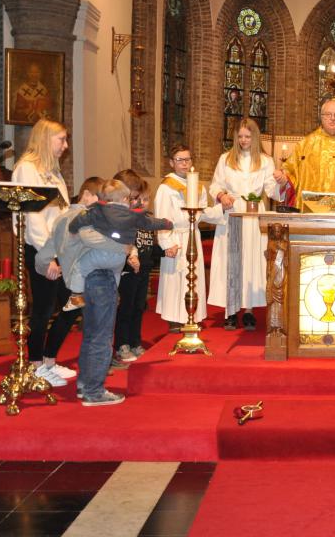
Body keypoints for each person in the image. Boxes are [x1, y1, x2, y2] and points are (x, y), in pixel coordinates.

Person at [11, 119, 75, 385]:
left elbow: (62, 212)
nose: (65, 145)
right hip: (40, 248)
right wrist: (47, 256)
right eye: (61, 139)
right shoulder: (27, 169)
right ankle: (36, 364)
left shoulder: (52, 171)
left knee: (74, 302)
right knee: (45, 308)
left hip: (60, 248)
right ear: (45, 139)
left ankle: (49, 360)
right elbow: (32, 217)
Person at [209, 118, 284, 330]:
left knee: (251, 260)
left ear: (255, 137)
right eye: (240, 136)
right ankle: (231, 310)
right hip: (232, 211)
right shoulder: (225, 159)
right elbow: (215, 185)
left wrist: (281, 182)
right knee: (232, 260)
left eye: (248, 136)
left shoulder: (266, 161)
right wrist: (222, 195)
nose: (243, 140)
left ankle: (249, 310)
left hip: (254, 212)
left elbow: (272, 191)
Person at [31, 176, 106, 387]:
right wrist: (46, 264)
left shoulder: (87, 216)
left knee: (71, 311)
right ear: (87, 195)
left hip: (72, 274)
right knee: (44, 314)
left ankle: (49, 360)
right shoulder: (73, 217)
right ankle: (38, 365)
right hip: (58, 270)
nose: (102, 204)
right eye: (99, 199)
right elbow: (51, 242)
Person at [66, 179, 172, 311]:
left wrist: (72, 229)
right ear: (125, 198)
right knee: (115, 274)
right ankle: (114, 295)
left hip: (100, 254)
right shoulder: (133, 214)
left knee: (80, 267)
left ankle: (76, 296)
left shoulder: (98, 210)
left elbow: (80, 219)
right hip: (120, 257)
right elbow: (150, 223)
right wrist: (166, 224)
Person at [155, 144, 225, 331]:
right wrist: (166, 243)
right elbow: (161, 217)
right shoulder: (166, 188)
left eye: (188, 159)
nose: (185, 164)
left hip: (193, 235)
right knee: (175, 278)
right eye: (180, 160)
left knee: (194, 276)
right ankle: (174, 318)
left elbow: (201, 214)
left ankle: (192, 314)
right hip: (176, 237)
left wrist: (222, 210)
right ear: (172, 163)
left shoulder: (198, 186)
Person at [112, 170, 158, 363]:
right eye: (134, 198)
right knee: (126, 308)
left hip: (142, 268)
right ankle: (122, 344)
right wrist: (131, 255)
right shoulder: (118, 215)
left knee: (139, 307)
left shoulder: (138, 216)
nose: (137, 202)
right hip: (126, 269)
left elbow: (147, 243)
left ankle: (134, 341)